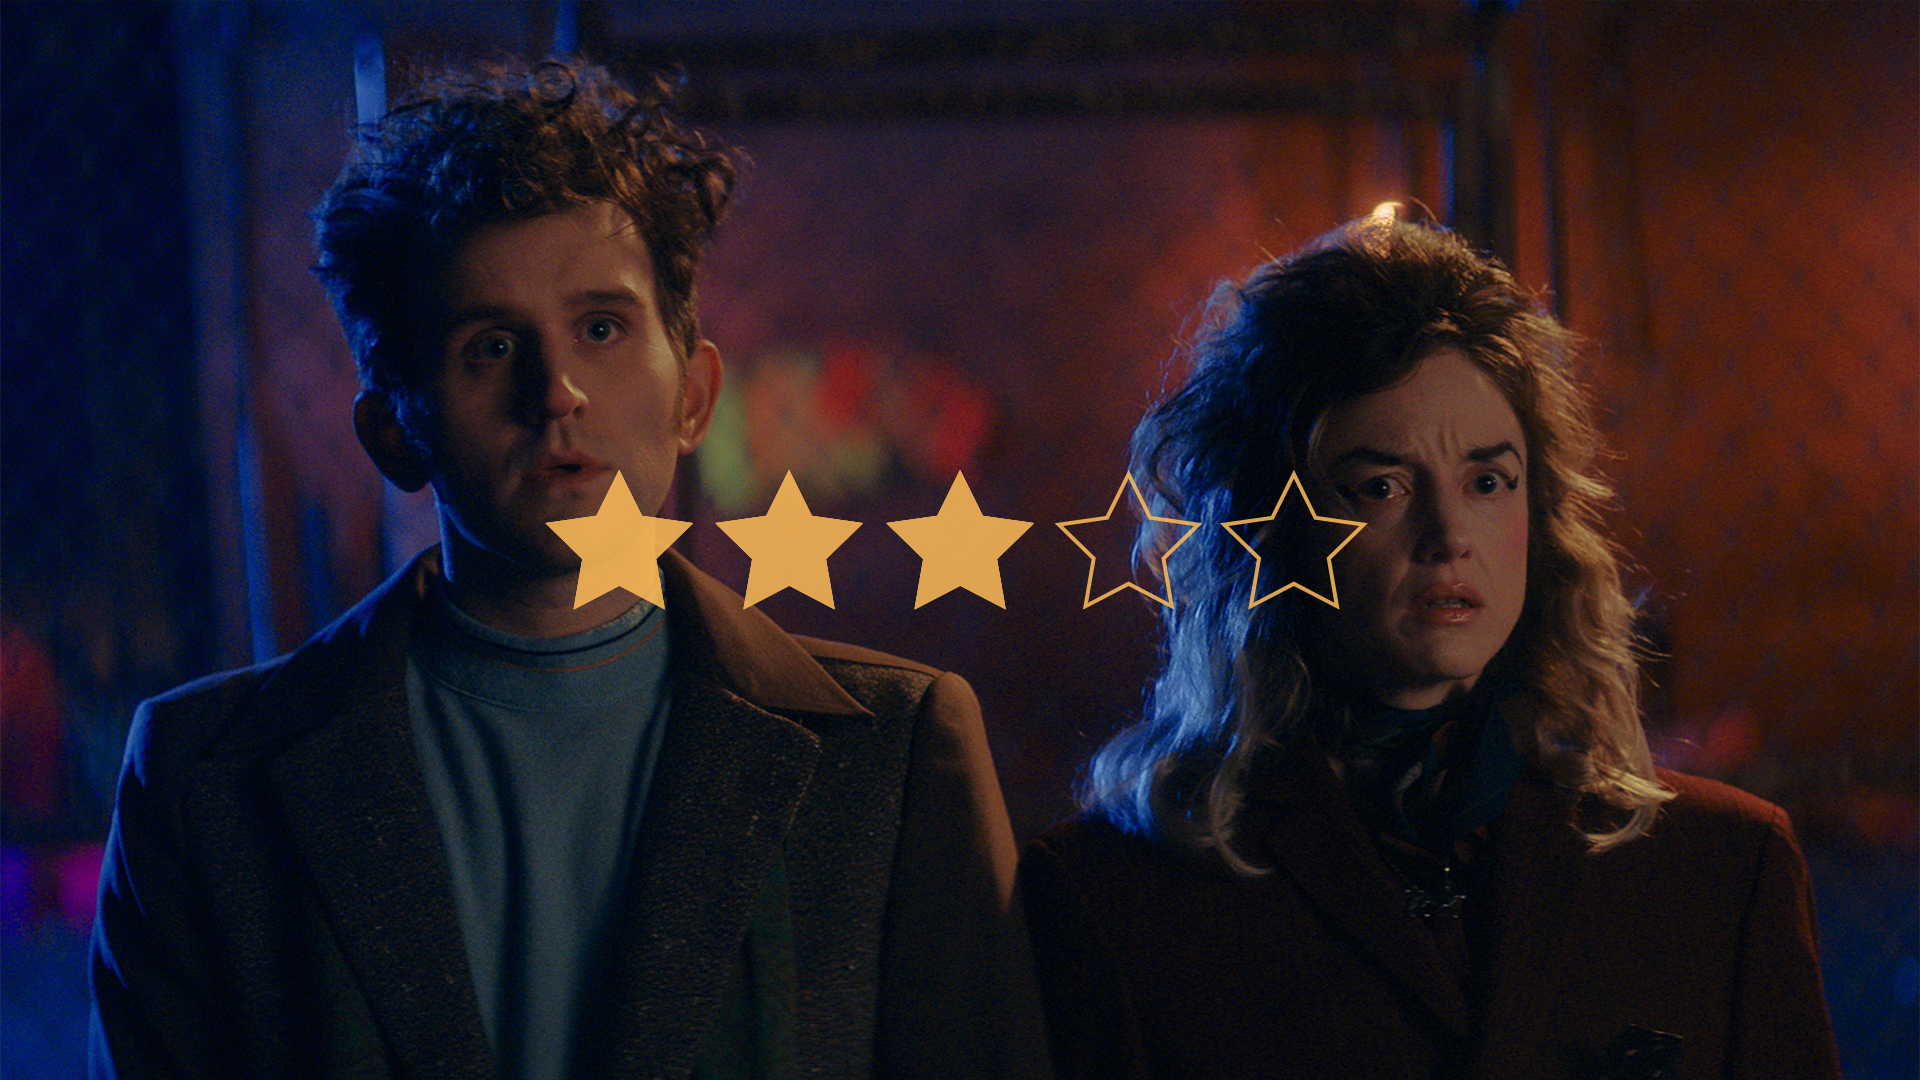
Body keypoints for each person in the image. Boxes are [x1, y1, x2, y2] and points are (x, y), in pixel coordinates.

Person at [91, 59, 1047, 1080]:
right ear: (394, 431)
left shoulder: (892, 755)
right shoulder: (204, 782)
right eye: (489, 346)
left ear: (693, 395)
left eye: (601, 328)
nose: (558, 392)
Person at [1020, 216, 1840, 1079]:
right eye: (1380, 485)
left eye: (1488, 481)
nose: (1450, 535)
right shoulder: (1116, 900)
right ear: (1267, 533)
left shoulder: (1720, 870)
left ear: (1539, 514)